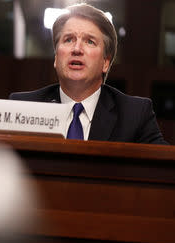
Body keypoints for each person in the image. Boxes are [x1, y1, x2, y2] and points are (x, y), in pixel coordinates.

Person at [9, 4, 168, 144]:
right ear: (56, 58)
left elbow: (163, 168)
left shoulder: (134, 115)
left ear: (106, 62)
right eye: (68, 39)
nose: (77, 49)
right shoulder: (23, 107)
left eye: (89, 41)